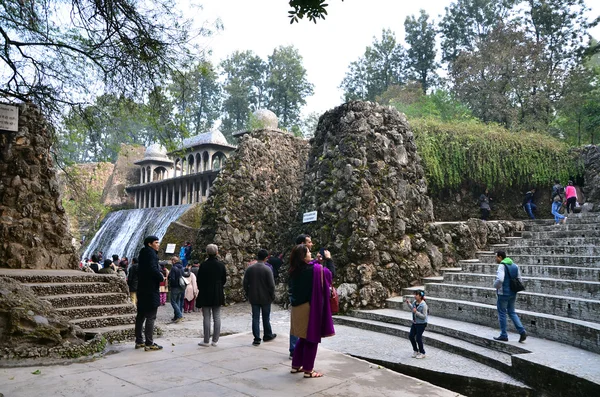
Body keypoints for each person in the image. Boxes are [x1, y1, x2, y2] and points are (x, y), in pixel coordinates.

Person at [289, 244, 335, 378]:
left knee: (302, 338)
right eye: (308, 252)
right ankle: (308, 370)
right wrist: (329, 260)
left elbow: (311, 268)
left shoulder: (295, 270)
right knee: (311, 339)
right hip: (309, 308)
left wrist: (317, 261)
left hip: (297, 308)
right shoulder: (315, 270)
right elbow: (330, 274)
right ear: (303, 257)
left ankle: (295, 366)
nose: (311, 253)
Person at [134, 235, 164, 351]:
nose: (158, 244)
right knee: (151, 317)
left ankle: (139, 341)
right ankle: (149, 343)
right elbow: (153, 269)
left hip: (142, 289)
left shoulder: (142, 254)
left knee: (140, 316)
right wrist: (161, 277)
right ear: (149, 244)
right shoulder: (151, 254)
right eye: (156, 242)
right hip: (151, 290)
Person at [243, 249, 277, 346]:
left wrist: (248, 293)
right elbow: (272, 285)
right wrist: (272, 295)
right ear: (266, 258)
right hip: (266, 297)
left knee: (255, 317)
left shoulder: (250, 269)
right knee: (266, 317)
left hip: (253, 296)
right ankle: (267, 334)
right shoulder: (267, 269)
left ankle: (256, 338)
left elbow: (245, 283)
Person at [196, 244, 227, 347]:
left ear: (207, 253)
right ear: (217, 252)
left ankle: (206, 341)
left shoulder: (203, 265)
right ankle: (215, 340)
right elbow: (224, 280)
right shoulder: (221, 265)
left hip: (205, 291)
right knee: (217, 316)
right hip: (217, 291)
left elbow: (199, 280)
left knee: (206, 317)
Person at [493, 251, 527, 343]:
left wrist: (495, 286)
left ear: (500, 257)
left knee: (502, 313)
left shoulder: (502, 266)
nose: (495, 259)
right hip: (513, 292)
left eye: (496, 257)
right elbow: (519, 279)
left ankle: (504, 335)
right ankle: (522, 331)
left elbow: (500, 279)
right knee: (512, 312)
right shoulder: (515, 266)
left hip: (503, 293)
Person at [405, 290, 428, 359]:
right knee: (411, 336)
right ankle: (415, 350)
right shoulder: (415, 302)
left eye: (416, 295)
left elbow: (424, 316)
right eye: (414, 294)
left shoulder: (424, 305)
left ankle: (422, 353)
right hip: (415, 322)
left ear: (420, 296)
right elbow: (413, 308)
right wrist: (409, 304)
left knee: (418, 338)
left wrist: (416, 312)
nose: (414, 296)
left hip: (421, 324)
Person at [168, 256, 186, 323]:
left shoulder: (173, 268)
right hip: (181, 287)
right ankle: (177, 317)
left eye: (171, 261)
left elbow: (172, 279)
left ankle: (180, 315)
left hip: (175, 287)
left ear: (173, 261)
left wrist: (170, 284)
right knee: (178, 301)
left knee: (173, 302)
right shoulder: (182, 267)